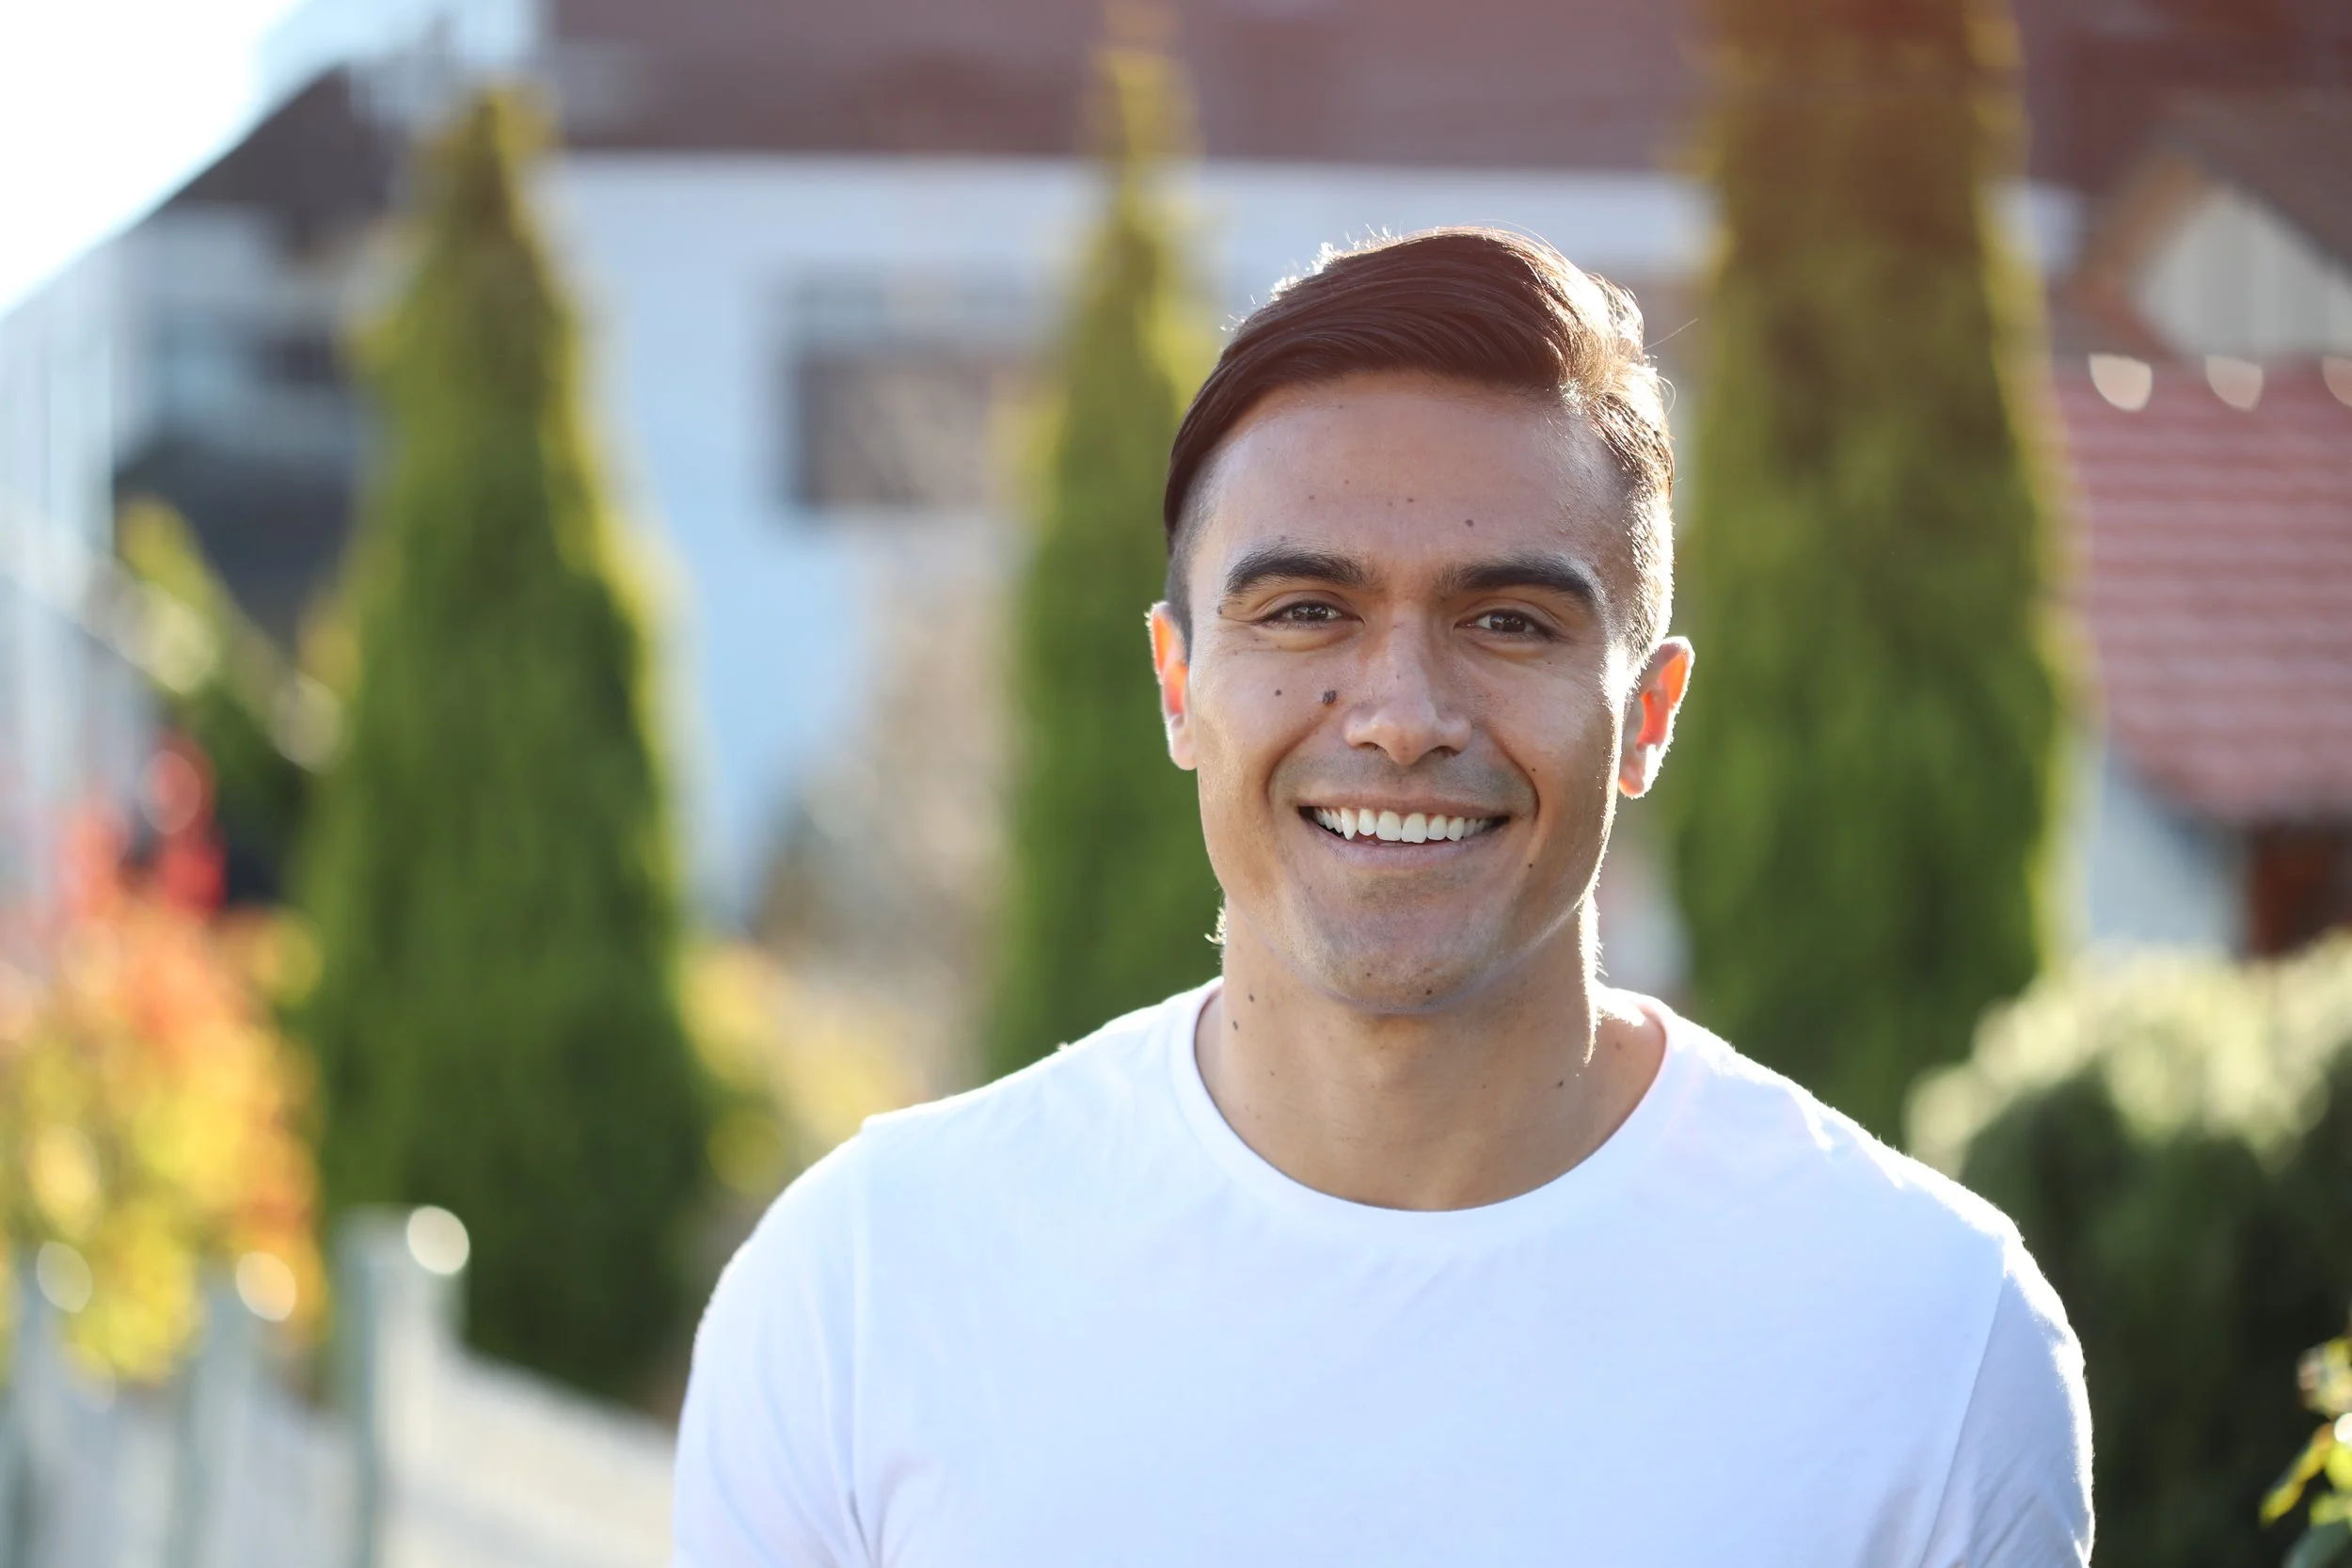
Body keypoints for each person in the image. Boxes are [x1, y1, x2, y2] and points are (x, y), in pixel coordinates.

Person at [672, 228, 2092, 1566]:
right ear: (1179, 684)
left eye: (1509, 622)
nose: (1402, 714)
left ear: (1649, 716)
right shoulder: (864, 1290)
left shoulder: (1928, 1337)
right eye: (1306, 611)